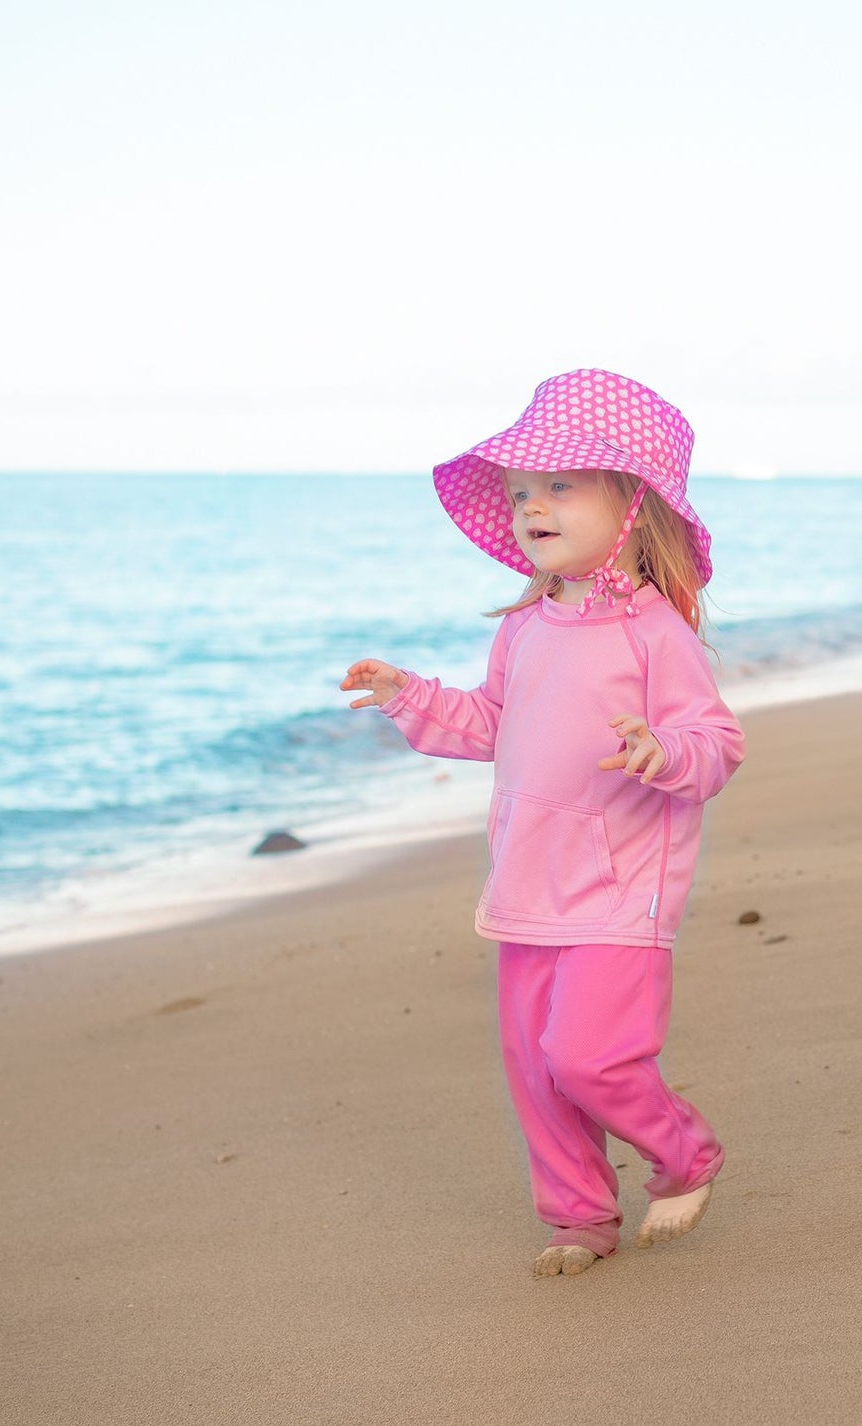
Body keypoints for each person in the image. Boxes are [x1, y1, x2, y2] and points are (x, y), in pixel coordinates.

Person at [341, 369, 746, 1278]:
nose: (533, 505)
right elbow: (491, 723)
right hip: (526, 882)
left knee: (589, 1056)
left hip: (617, 888)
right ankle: (577, 1217)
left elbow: (715, 742)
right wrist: (407, 694)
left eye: (560, 485)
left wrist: (662, 751)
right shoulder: (524, 627)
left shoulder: (654, 634)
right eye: (522, 491)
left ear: (632, 503)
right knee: (535, 1070)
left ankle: (684, 1152)